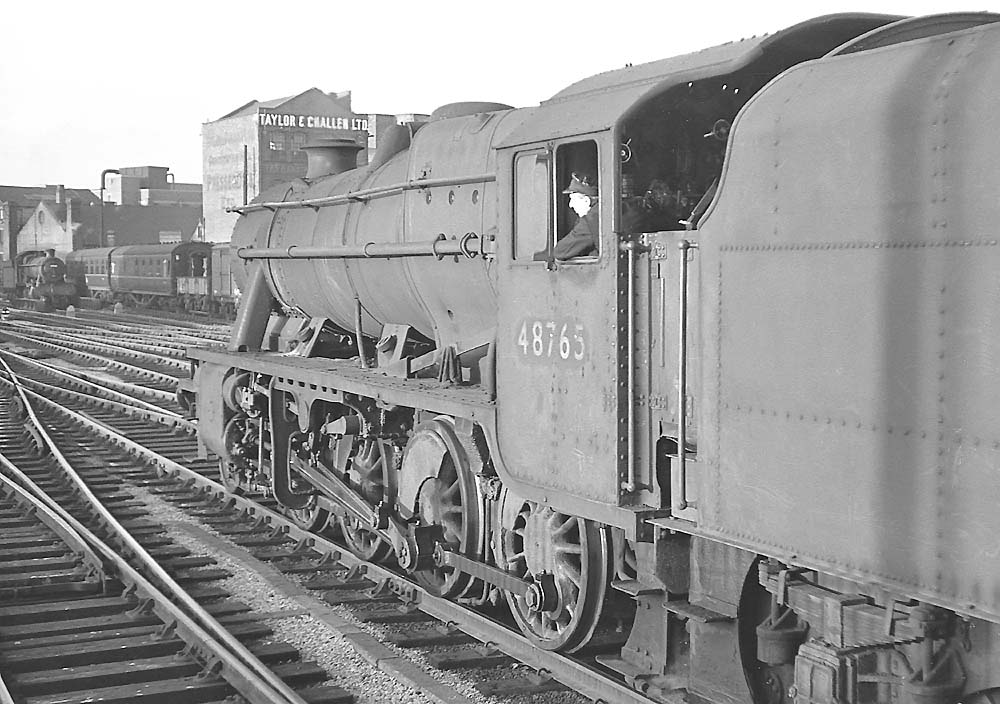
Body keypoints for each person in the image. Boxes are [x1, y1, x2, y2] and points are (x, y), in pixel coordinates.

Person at [534, 172, 599, 261]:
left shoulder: (590, 221)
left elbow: (560, 252)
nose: (570, 204)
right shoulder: (599, 214)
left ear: (586, 201)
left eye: (573, 199)